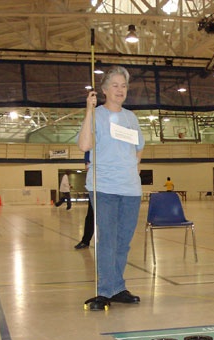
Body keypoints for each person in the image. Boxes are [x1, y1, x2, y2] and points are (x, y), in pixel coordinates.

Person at [77, 65, 145, 309]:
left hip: (130, 190)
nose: (120, 90)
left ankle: (117, 287)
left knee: (123, 241)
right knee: (106, 240)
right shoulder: (96, 115)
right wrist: (88, 110)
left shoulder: (131, 118)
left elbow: (139, 148)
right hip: (103, 187)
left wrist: (131, 168)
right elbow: (84, 145)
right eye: (114, 85)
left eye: (123, 85)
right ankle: (105, 290)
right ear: (104, 89)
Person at [75, 152, 93, 250]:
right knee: (91, 216)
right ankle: (85, 240)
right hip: (95, 189)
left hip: (110, 189)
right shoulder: (90, 149)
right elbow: (88, 166)